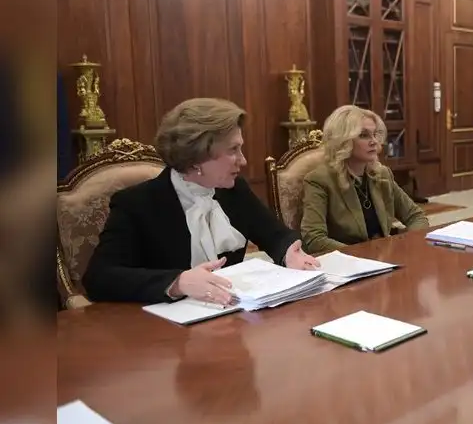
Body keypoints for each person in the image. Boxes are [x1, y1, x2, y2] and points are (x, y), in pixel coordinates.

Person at [83, 98, 320, 306]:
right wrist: (177, 282)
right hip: (163, 334)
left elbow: (274, 234)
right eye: (233, 150)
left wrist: (289, 252)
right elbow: (99, 278)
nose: (243, 160)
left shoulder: (233, 190)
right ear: (196, 156)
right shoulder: (136, 204)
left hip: (233, 318)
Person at [300, 105, 428, 255]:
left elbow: (416, 217)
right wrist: (362, 254)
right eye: (364, 135)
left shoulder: (381, 174)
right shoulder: (319, 180)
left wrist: (405, 244)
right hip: (347, 264)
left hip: (384, 259)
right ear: (343, 141)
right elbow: (314, 239)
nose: (374, 141)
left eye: (374, 134)